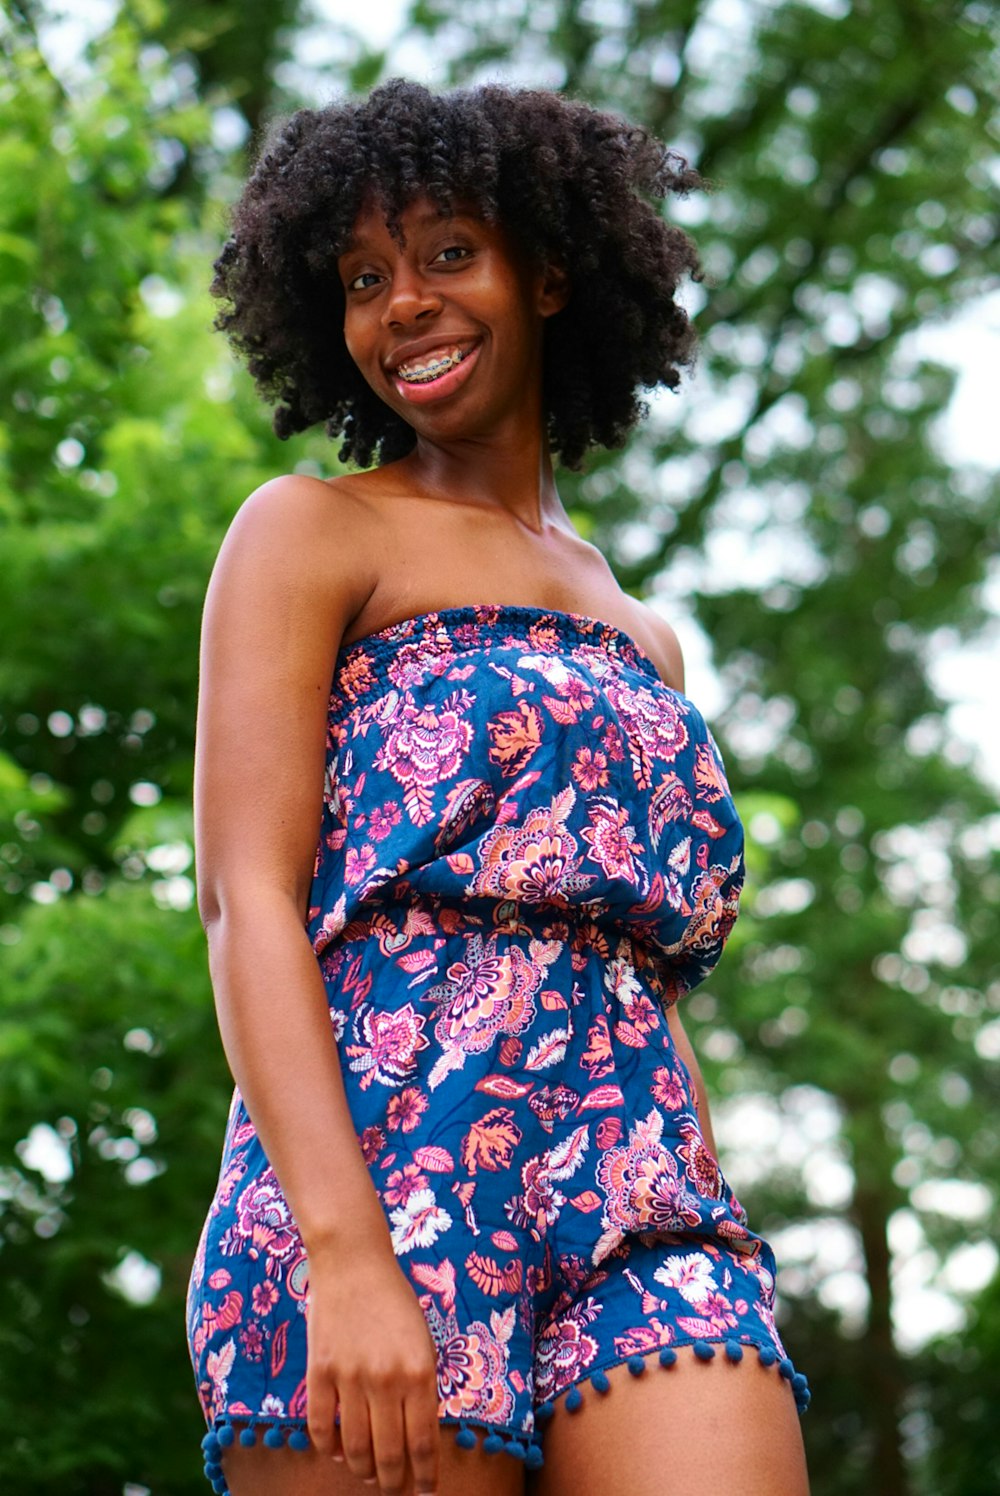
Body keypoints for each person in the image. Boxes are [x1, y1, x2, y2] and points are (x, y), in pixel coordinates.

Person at [186, 77, 811, 1496]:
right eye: (363, 277)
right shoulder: (311, 534)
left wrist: (705, 1184)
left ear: (548, 271)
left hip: (641, 1188)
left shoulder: (647, 634)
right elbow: (245, 900)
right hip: (384, 1162)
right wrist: (344, 1256)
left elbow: (640, 958)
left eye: (445, 254)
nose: (403, 301)